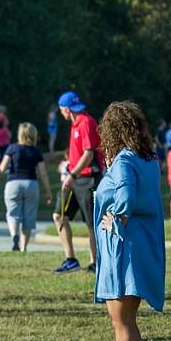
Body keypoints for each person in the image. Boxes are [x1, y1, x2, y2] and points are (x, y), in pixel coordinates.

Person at [94, 101, 165, 341]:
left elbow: (125, 195)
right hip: (142, 244)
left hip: (125, 249)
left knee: (122, 321)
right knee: (127, 320)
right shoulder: (148, 159)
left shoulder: (124, 160)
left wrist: (117, 218)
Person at [53, 91, 103, 274]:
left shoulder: (86, 122)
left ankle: (95, 262)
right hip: (74, 177)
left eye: (61, 110)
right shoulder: (75, 124)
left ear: (66, 109)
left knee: (91, 222)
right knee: (59, 215)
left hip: (87, 178)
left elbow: (89, 153)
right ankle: (70, 259)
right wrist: (68, 165)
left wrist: (72, 174)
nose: (61, 113)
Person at [0, 123, 51, 252]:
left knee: (12, 214)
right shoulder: (36, 151)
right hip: (31, 183)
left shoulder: (12, 148)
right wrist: (48, 191)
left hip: (13, 183)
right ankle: (24, 248)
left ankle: (14, 237)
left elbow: (2, 167)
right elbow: (43, 173)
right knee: (29, 217)